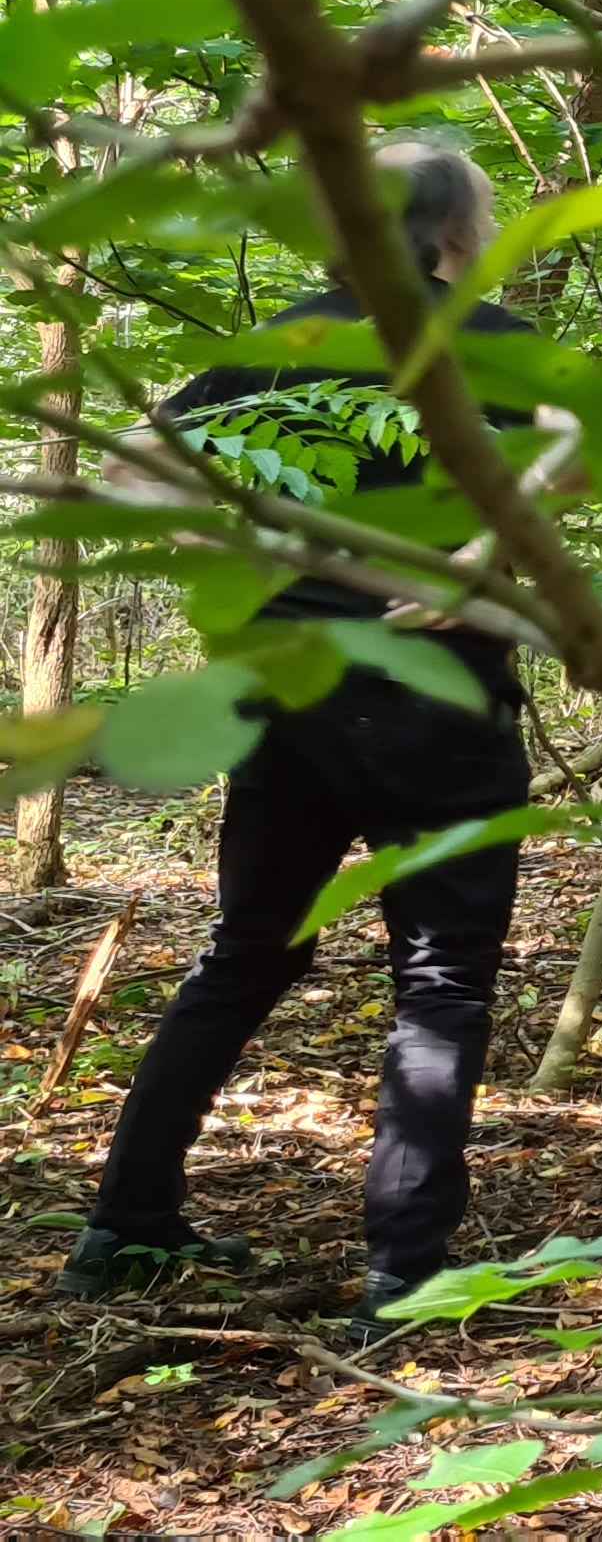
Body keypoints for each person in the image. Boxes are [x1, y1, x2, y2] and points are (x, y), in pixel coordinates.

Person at [63, 141, 548, 1341]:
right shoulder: (487, 342)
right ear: (455, 227)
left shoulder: (267, 353)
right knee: (439, 982)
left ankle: (124, 1223)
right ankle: (406, 1276)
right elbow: (594, 455)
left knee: (245, 954)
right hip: (437, 700)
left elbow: (131, 485)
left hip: (288, 698)